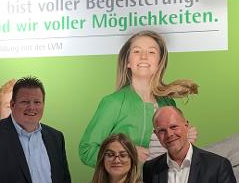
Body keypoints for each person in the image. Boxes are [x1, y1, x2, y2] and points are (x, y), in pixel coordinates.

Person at [78, 30, 198, 167]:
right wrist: (126, 153)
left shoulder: (168, 103)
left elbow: (174, 155)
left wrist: (184, 141)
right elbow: (87, 151)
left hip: (167, 180)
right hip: (131, 182)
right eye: (136, 51)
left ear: (160, 62)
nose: (144, 57)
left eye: (151, 52)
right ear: (127, 62)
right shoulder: (113, 103)